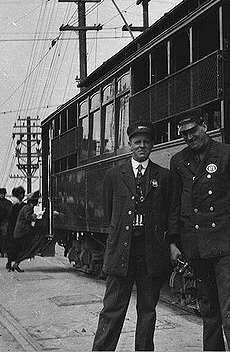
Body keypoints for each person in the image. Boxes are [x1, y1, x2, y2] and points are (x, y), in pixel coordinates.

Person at [167, 108, 230, 351]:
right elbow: (175, 203)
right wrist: (173, 241)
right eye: (184, 134)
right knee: (208, 308)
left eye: (193, 131)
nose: (189, 137)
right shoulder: (178, 161)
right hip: (196, 244)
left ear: (204, 126)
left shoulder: (227, 154)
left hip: (226, 241)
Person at [92, 122, 173, 351]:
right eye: (137, 142)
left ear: (152, 146)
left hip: (150, 254)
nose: (142, 146)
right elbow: (109, 213)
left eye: (146, 142)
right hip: (121, 252)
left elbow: (168, 214)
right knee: (112, 309)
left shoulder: (163, 176)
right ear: (129, 145)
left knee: (147, 311)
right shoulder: (114, 175)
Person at [10, 191, 48, 272]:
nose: (38, 202)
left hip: (21, 231)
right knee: (28, 248)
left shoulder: (27, 207)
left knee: (26, 248)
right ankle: (16, 264)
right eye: (36, 200)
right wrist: (38, 214)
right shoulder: (28, 207)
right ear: (33, 201)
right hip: (23, 232)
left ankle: (15, 264)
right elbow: (28, 217)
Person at [5, 186, 25, 271]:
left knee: (12, 246)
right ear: (19, 195)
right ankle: (14, 264)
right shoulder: (17, 205)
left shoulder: (13, 204)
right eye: (22, 194)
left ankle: (9, 263)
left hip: (11, 228)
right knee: (17, 246)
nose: (23, 196)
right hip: (15, 228)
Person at [0, 187, 11, 258]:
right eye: (0, 194)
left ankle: (5, 251)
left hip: (6, 221)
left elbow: (11, 212)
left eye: (2, 194)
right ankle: (2, 251)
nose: (1, 195)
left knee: (5, 236)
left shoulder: (8, 203)